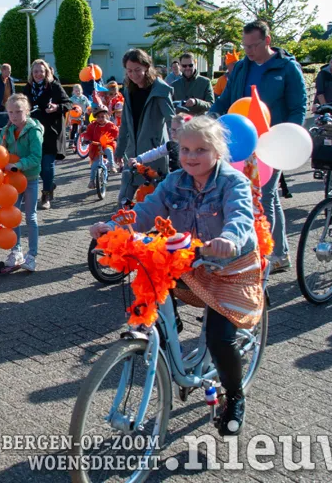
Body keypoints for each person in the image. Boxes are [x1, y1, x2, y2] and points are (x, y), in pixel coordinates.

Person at [90, 115, 263, 436]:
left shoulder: (233, 182)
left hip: (229, 269)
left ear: (218, 151)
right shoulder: (175, 182)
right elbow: (145, 212)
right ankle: (171, 330)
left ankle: (235, 396)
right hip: (190, 263)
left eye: (200, 150)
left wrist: (228, 240)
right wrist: (112, 228)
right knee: (150, 268)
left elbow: (241, 217)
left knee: (219, 338)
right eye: (184, 149)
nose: (191, 157)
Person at [211, 20, 306, 273]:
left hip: (272, 144)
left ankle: (266, 254)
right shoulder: (241, 68)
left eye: (253, 45)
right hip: (240, 142)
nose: (249, 51)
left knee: (264, 196)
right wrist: (207, 119)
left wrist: (288, 137)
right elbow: (224, 101)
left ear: (267, 40)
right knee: (248, 197)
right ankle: (274, 252)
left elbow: (299, 106)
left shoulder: (287, 68)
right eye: (245, 46)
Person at [115, 48, 176, 205]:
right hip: (132, 155)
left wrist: (176, 147)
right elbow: (126, 124)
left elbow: (171, 120)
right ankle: (121, 229)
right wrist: (119, 150)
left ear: (147, 67)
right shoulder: (128, 90)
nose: (134, 75)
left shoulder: (160, 89)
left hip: (154, 155)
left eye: (138, 70)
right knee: (123, 201)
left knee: (155, 205)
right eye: (129, 71)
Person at [0, 93, 44, 271]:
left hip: (30, 179)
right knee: (12, 216)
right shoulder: (6, 131)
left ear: (27, 111)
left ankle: (32, 255)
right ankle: (16, 251)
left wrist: (17, 166)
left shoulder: (34, 131)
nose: (14, 116)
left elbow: (36, 157)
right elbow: (1, 153)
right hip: (12, 182)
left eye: (18, 111)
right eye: (10, 112)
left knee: (30, 217)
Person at [23, 59, 71, 210]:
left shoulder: (54, 86)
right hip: (33, 132)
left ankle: (46, 195)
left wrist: (57, 107)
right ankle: (49, 184)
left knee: (47, 165)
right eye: (35, 71)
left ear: (46, 72)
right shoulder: (28, 88)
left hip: (51, 132)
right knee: (38, 165)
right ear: (32, 73)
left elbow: (68, 103)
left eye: (41, 71)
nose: (38, 74)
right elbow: (21, 105)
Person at [82, 105, 119, 187]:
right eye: (98, 117)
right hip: (96, 146)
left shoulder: (110, 125)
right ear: (95, 117)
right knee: (94, 165)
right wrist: (86, 139)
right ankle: (91, 181)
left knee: (109, 151)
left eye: (102, 117)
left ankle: (112, 166)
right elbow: (88, 134)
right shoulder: (92, 126)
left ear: (106, 116)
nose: (100, 119)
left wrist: (116, 137)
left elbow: (115, 132)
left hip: (107, 144)